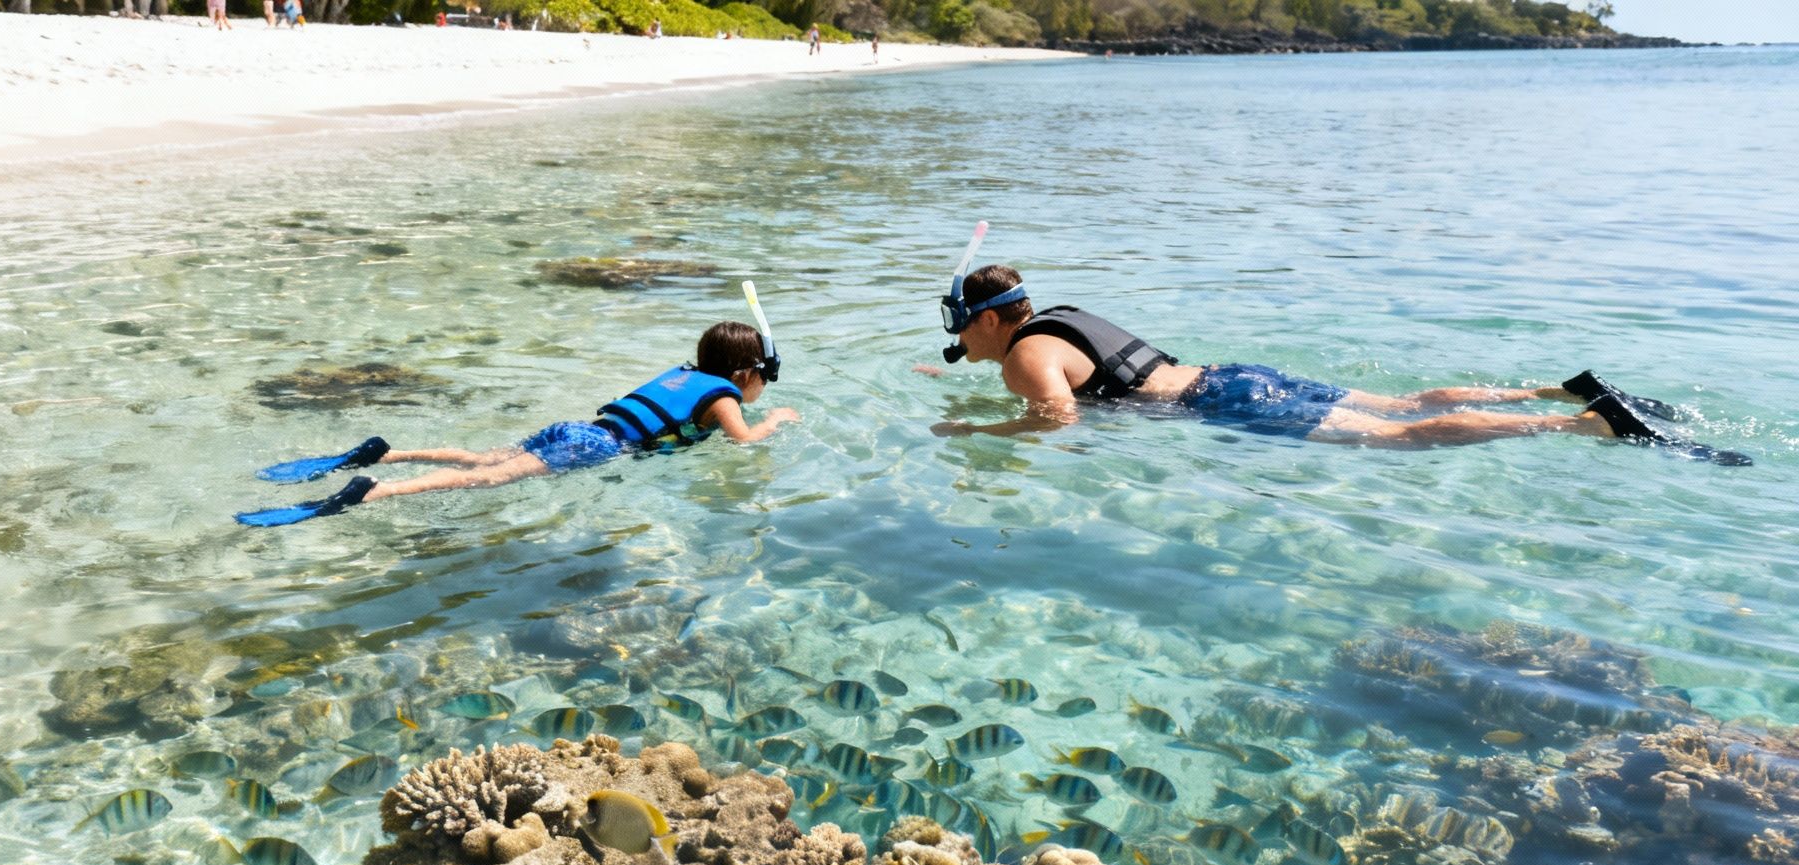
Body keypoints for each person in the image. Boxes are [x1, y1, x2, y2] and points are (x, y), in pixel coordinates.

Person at [923, 228, 1749, 465]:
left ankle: (1583, 426)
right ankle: (1555, 392)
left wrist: (977, 435)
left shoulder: (1028, 353)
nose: (959, 339)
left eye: (962, 325)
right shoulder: (1056, 318)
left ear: (993, 319)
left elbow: (1058, 421)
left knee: (1402, 439)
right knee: (1407, 404)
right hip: (1233, 375)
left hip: (1218, 405)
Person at [237, 290, 799, 526]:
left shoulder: (685, 373)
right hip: (600, 445)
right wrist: (771, 422)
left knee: (484, 459)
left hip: (580, 427)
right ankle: (374, 491)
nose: (760, 391)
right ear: (747, 375)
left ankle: (385, 455)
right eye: (762, 381)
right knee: (490, 480)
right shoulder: (724, 396)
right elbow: (743, 441)